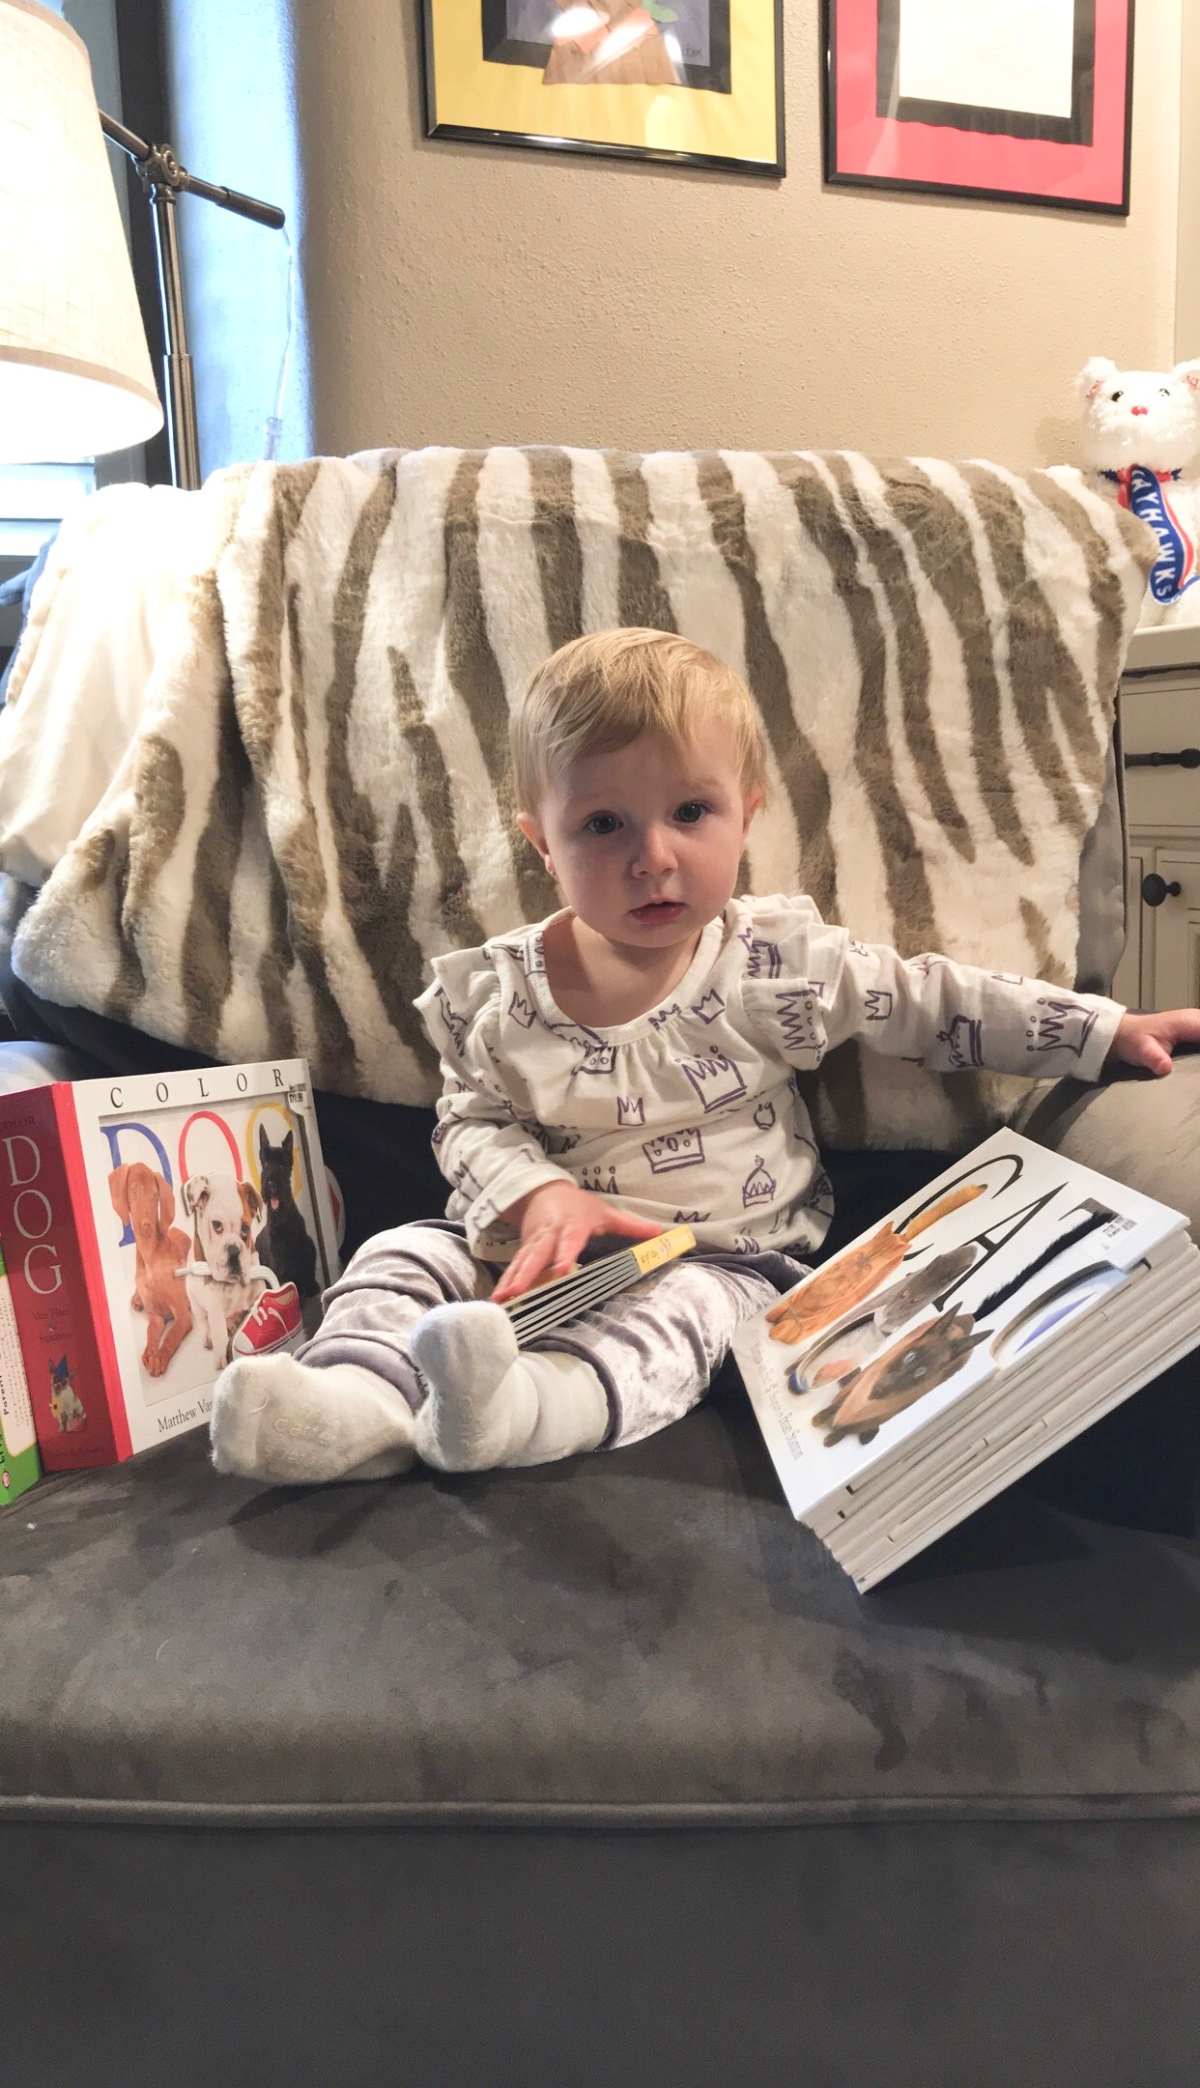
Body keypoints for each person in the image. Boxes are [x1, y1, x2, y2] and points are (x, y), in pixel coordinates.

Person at [209, 629, 1200, 1486]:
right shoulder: (503, 993)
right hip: (530, 1262)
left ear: (747, 811)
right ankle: (350, 1408)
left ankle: (517, 1417)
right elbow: (469, 1122)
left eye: (690, 812)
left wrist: (1102, 1030)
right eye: (603, 824)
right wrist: (534, 1197)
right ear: (540, 843)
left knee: (679, 1312)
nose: (654, 855)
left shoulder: (775, 963)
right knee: (401, 1250)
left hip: (727, 1260)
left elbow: (937, 1002)